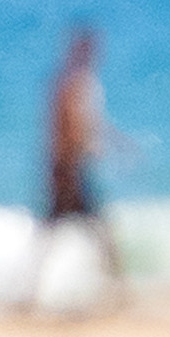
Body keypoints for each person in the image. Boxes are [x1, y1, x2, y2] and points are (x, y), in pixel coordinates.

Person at [38, 22, 131, 303]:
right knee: (98, 230)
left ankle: (27, 288)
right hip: (70, 169)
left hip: (69, 167)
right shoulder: (70, 83)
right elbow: (68, 128)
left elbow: (90, 123)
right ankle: (117, 289)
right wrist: (76, 158)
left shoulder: (72, 82)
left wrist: (117, 142)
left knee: (57, 232)